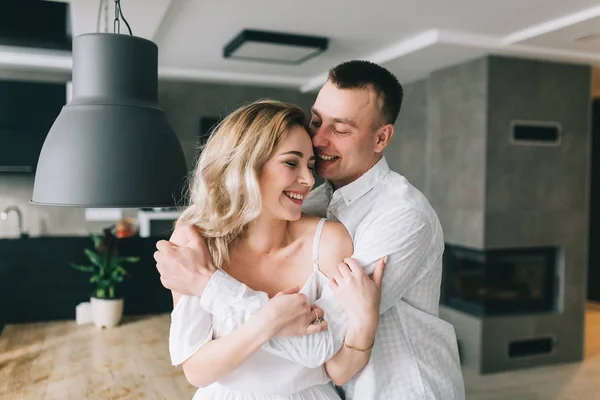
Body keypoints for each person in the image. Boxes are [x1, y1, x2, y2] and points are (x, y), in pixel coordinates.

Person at [156, 60, 466, 399]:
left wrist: (208, 284)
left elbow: (316, 343)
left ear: (381, 138)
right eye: (317, 121)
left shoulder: (402, 216)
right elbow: (197, 366)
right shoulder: (312, 203)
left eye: (341, 129)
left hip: (402, 389)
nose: (318, 140)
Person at [157, 99, 387, 399]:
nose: (307, 180)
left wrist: (367, 321)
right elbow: (197, 370)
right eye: (291, 163)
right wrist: (267, 322)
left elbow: (337, 368)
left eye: (310, 166)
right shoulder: (197, 241)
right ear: (245, 164)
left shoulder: (329, 241)